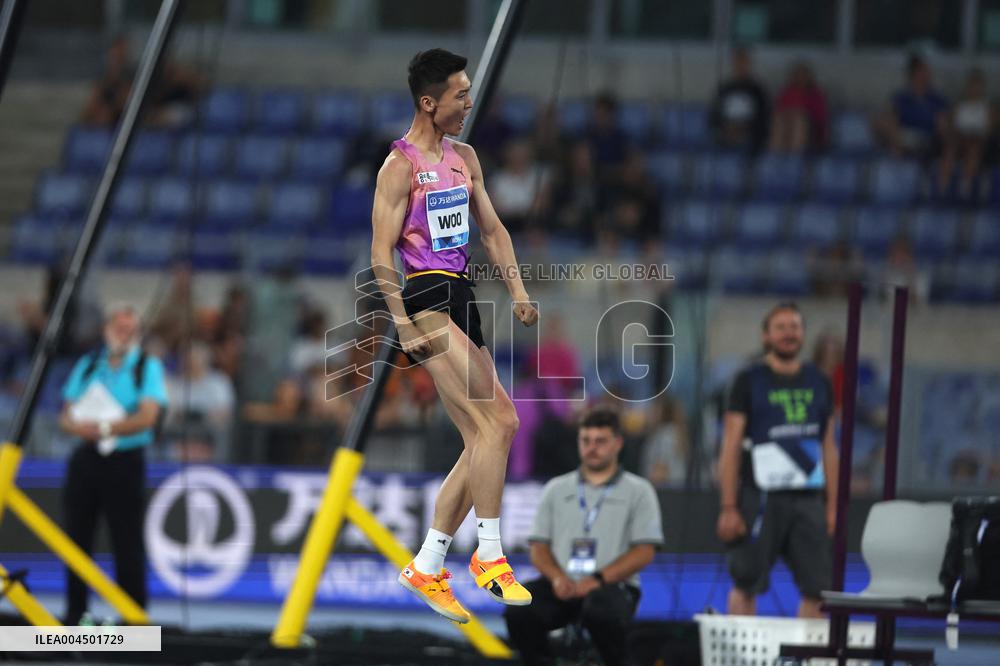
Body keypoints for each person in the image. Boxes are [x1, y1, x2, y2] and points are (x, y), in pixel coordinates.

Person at [369, 49, 539, 623]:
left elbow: (493, 231)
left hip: (463, 297)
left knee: (480, 440)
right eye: (460, 95)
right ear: (428, 102)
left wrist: (516, 292)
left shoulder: (465, 158)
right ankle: (489, 554)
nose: (468, 104)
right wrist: (399, 321)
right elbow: (380, 252)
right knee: (504, 421)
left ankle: (427, 563)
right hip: (425, 298)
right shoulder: (399, 167)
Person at [505, 406, 664, 666]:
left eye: (601, 441)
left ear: (618, 443)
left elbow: (645, 551)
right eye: (586, 440)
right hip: (563, 583)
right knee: (519, 610)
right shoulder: (557, 488)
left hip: (613, 586)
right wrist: (557, 578)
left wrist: (598, 579)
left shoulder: (639, 490)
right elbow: (538, 546)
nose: (592, 448)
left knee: (600, 610)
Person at [716, 302, 839, 618]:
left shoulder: (819, 381)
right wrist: (729, 507)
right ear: (766, 335)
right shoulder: (749, 380)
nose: (789, 334)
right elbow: (730, 445)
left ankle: (809, 659)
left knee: (819, 590)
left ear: (803, 334)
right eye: (781, 327)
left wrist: (833, 506)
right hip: (760, 497)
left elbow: (828, 446)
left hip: (808, 498)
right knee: (746, 584)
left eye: (795, 327)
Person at [58, 304, 168, 625]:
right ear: (107, 329)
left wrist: (106, 429)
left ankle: (133, 617)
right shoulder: (90, 363)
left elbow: (148, 416)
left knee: (127, 540)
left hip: (125, 461)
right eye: (119, 327)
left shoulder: (147, 367)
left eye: (130, 329)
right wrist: (81, 429)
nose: (124, 334)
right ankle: (75, 613)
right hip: (87, 457)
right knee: (76, 537)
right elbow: (66, 413)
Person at [875, 54, 950, 160]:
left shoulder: (937, 100)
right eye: (923, 71)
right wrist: (894, 132)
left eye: (927, 71)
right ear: (913, 74)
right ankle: (899, 153)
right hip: (903, 138)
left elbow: (943, 128)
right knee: (881, 121)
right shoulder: (900, 98)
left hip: (927, 142)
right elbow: (888, 120)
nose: (927, 75)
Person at [709, 46, 770, 155]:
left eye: (743, 62)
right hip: (726, 131)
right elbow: (714, 113)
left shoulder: (757, 89)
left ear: (748, 64)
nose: (740, 66)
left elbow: (763, 116)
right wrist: (725, 128)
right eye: (737, 62)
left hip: (749, 133)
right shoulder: (725, 88)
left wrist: (744, 128)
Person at [770, 61, 828, 154]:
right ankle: (775, 155)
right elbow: (778, 110)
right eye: (798, 75)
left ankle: (794, 157)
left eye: (803, 75)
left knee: (798, 121)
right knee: (778, 120)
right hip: (786, 125)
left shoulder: (815, 95)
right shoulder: (787, 92)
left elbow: (820, 118)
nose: (801, 78)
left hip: (808, 129)